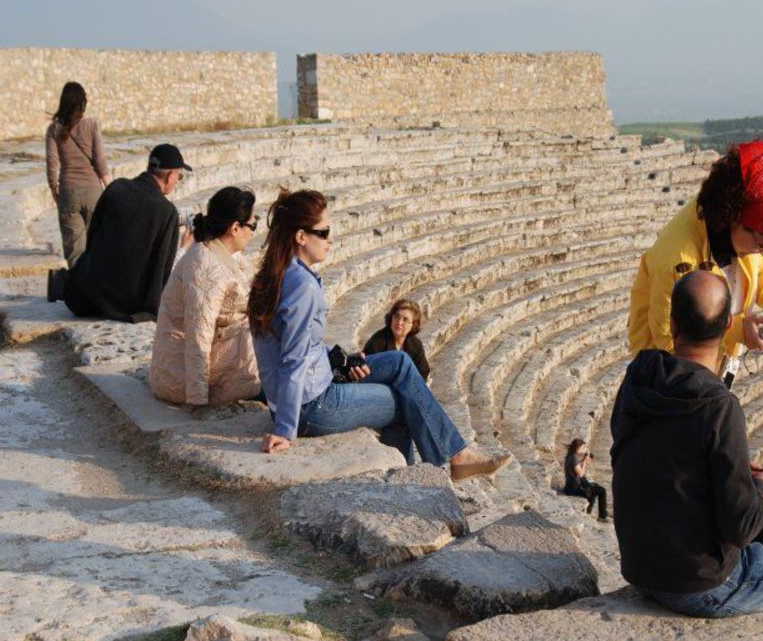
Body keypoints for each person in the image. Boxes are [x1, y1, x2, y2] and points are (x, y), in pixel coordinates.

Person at [611, 270, 763, 631]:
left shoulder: (639, 375)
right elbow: (740, 526)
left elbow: (656, 456)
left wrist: (728, 468)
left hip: (640, 565)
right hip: (697, 583)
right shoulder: (718, 407)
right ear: (728, 325)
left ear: (672, 323)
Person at [247, 189, 512, 481]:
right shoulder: (302, 286)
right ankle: (427, 478)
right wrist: (285, 429)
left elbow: (297, 343)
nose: (331, 239)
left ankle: (450, 460)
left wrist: (340, 362)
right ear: (300, 236)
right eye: (324, 232)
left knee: (400, 363)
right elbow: (293, 358)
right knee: (406, 401)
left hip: (309, 389)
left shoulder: (278, 273)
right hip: (312, 407)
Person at [627, 140, 763, 378]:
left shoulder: (728, 229)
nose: (762, 253)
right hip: (668, 382)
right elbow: (672, 341)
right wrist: (738, 331)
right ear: (736, 219)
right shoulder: (677, 261)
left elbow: (759, 271)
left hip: (709, 371)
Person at [49, 144, 187, 323]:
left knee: (78, 272)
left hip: (89, 296)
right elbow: (162, 270)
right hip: (128, 304)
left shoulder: (116, 188)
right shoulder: (167, 212)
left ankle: (62, 281)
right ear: (171, 176)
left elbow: (92, 238)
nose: (177, 181)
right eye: (180, 177)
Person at [149, 187, 261, 406]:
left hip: (204, 363)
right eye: (252, 226)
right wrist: (197, 398)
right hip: (181, 379)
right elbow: (198, 333)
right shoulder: (204, 265)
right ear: (235, 228)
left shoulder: (216, 254)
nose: (253, 233)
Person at [45, 82, 112, 266]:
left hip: (68, 192)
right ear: (83, 104)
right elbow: (100, 161)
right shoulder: (92, 125)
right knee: (96, 247)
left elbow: (52, 163)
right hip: (93, 193)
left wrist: (54, 190)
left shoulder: (54, 129)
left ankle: (77, 282)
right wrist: (111, 188)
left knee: (74, 252)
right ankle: (94, 283)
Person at [362, 299, 431, 381]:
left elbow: (424, 371)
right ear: (391, 318)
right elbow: (369, 374)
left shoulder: (415, 344)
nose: (399, 322)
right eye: (397, 317)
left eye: (405, 319)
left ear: (413, 325)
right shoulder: (377, 342)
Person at [563, 438, 608, 522]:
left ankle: (589, 512)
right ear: (577, 448)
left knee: (595, 488)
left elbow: (579, 466)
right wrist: (584, 463)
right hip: (574, 488)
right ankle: (601, 516)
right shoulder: (573, 458)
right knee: (601, 490)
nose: (584, 449)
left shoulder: (571, 455)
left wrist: (586, 457)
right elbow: (580, 474)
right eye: (582, 447)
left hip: (572, 486)